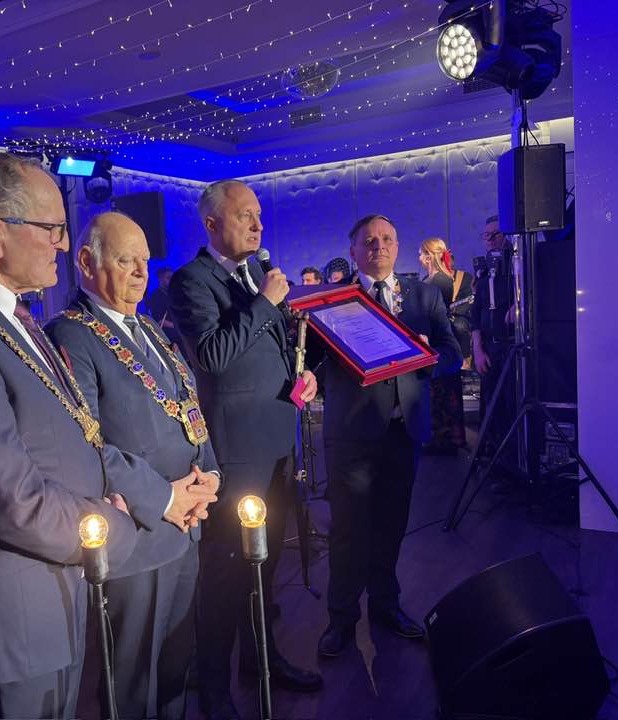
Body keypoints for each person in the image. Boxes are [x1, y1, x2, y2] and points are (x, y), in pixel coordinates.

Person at [0, 152, 213, 719]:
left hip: (49, 585)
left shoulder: (4, 319)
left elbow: (77, 438)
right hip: (11, 608)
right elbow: (10, 500)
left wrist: (161, 494)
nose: (62, 245)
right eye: (52, 229)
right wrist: (119, 524)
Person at [46, 212, 220, 719]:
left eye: (145, 260)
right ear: (86, 262)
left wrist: (209, 476)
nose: (142, 272)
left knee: (175, 669)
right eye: (127, 261)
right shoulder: (70, 336)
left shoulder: (146, 326)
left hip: (188, 524)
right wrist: (166, 499)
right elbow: (85, 443)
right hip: (139, 534)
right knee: (133, 681)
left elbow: (188, 407)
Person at [169, 179, 323, 718]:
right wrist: (265, 302)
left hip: (277, 440)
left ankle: (262, 662)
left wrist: (303, 378)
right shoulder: (192, 280)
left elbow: (271, 352)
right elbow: (213, 356)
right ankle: (213, 688)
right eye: (245, 216)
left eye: (259, 215)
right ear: (212, 224)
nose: (258, 225)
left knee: (266, 565)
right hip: (235, 452)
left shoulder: (255, 273)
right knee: (227, 572)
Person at [317, 215, 461, 658]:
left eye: (386, 239)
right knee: (347, 530)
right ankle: (341, 618)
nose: (378, 246)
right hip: (351, 434)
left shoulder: (424, 295)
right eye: (368, 241)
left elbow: (452, 354)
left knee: (391, 525)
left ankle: (385, 605)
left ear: (397, 247)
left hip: (404, 431)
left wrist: (425, 356)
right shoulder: (335, 301)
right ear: (353, 250)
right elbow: (315, 363)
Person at [419, 237, 474, 453]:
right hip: (436, 339)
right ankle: (443, 438)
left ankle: (444, 440)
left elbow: (435, 315)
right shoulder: (434, 278)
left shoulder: (439, 280)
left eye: (421, 253)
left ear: (428, 256)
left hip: (438, 341)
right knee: (440, 390)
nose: (419, 258)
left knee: (441, 391)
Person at [470, 214, 516, 454]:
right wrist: (478, 349)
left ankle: (511, 459)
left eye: (495, 234)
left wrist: (519, 305)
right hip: (488, 349)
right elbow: (475, 313)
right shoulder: (483, 271)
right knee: (491, 406)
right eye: (486, 235)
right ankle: (491, 458)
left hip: (511, 348)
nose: (489, 239)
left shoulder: (518, 265)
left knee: (510, 405)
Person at [146, 266, 179, 346]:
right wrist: (178, 326)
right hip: (167, 335)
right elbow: (159, 320)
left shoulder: (172, 293)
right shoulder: (156, 296)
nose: (172, 280)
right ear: (161, 279)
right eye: (168, 278)